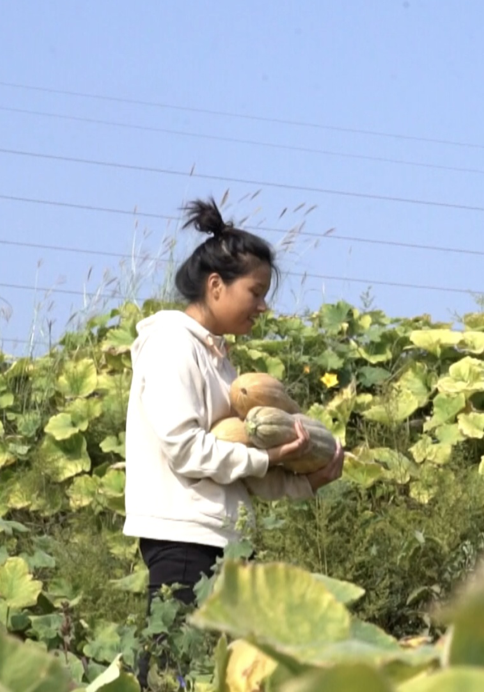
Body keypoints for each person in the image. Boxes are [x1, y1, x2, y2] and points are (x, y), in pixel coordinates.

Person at [123, 197, 346, 686]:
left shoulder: (221, 363)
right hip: (184, 538)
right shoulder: (170, 344)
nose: (263, 305)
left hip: (221, 538)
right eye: (256, 291)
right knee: (172, 675)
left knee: (228, 675)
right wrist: (265, 457)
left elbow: (238, 470)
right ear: (216, 285)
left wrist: (305, 481)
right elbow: (187, 450)